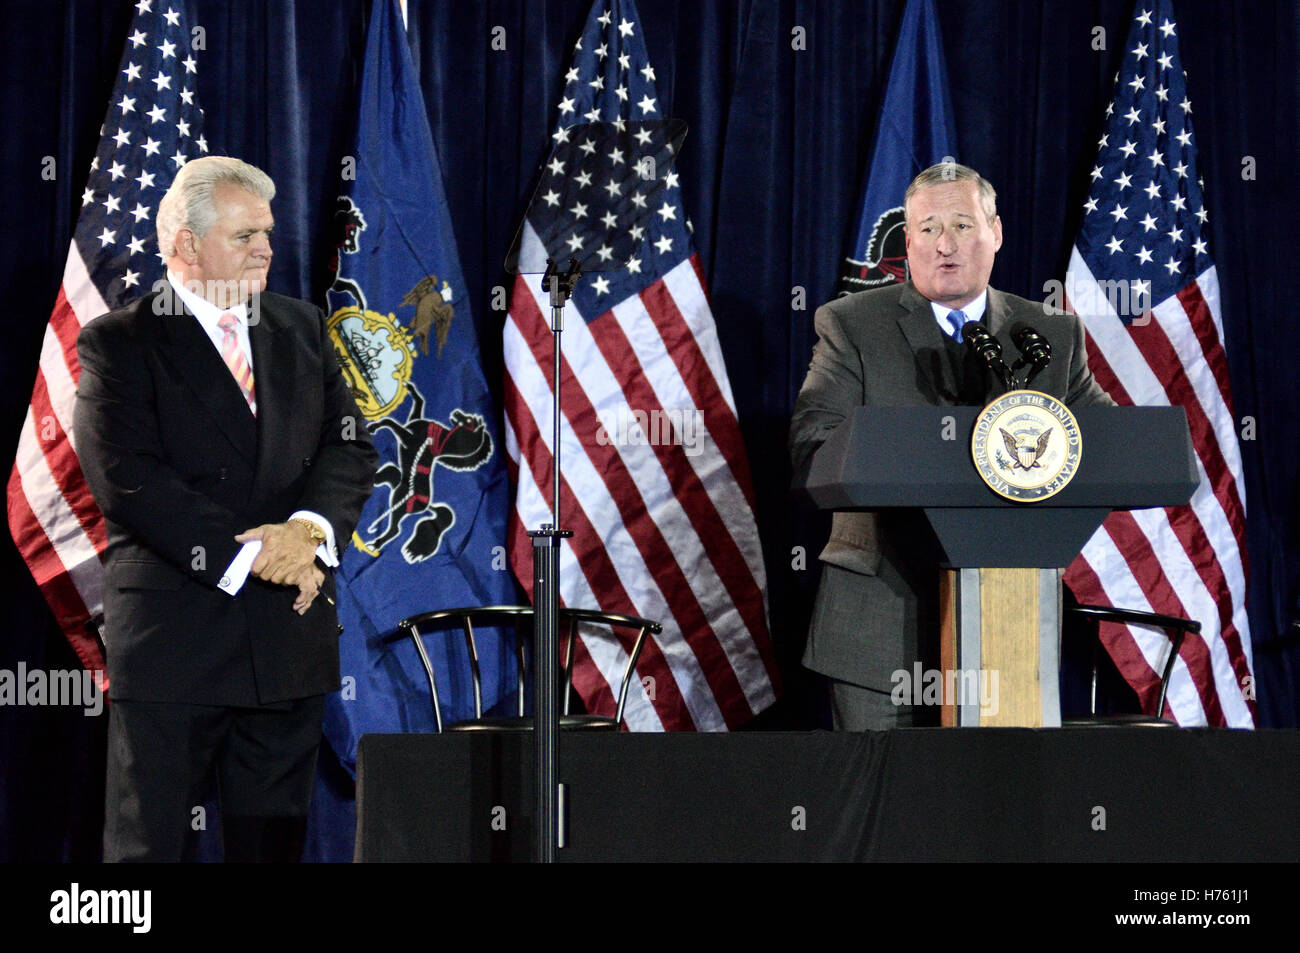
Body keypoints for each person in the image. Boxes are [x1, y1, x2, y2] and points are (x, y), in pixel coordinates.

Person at [75, 156, 378, 861]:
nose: (267, 249)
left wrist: (306, 532)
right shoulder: (122, 342)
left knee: (271, 850)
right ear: (184, 244)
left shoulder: (303, 328)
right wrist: (260, 555)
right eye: (245, 236)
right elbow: (128, 479)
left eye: (268, 233)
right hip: (175, 642)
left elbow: (351, 449)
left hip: (288, 643)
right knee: (146, 855)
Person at [789, 162, 1112, 731]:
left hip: (1008, 623)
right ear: (907, 241)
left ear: (996, 232)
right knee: (884, 808)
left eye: (963, 225)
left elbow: (1109, 447)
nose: (945, 244)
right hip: (877, 620)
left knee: (994, 810)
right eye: (928, 228)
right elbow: (813, 449)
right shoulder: (850, 324)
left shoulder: (1050, 334)